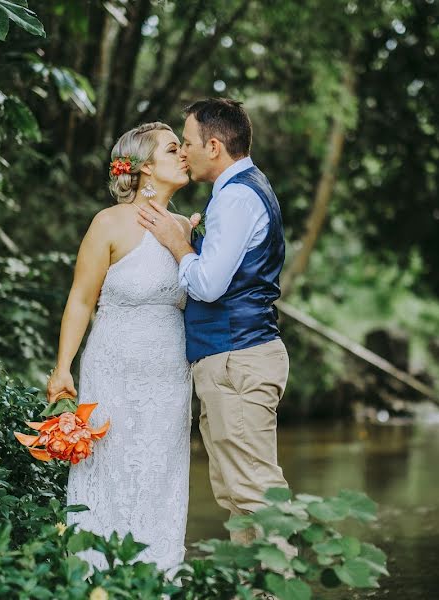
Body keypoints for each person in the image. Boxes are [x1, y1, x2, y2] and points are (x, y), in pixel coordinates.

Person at [138, 98, 290, 545]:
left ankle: (278, 592)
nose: (183, 152)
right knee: (236, 497)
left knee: (255, 493)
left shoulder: (238, 197)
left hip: (237, 358)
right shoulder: (237, 191)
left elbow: (207, 285)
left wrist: (178, 243)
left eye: (187, 143)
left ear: (215, 146)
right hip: (230, 359)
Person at [46, 122, 196, 572]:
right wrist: (62, 368)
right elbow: (80, 299)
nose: (184, 154)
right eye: (174, 149)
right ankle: (95, 574)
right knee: (110, 472)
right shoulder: (108, 223)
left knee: (160, 474)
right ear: (146, 167)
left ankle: (159, 576)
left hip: (170, 375)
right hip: (113, 369)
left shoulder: (182, 228)